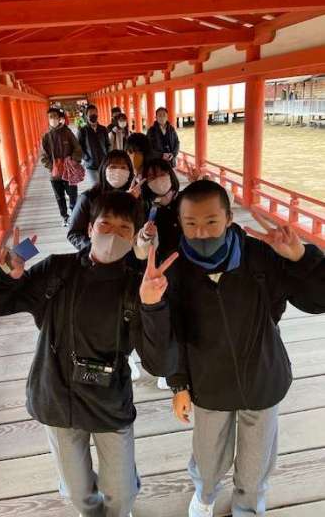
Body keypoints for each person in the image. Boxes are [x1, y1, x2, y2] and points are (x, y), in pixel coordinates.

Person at [0, 192, 178, 517]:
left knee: (122, 492)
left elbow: (160, 363)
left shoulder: (138, 286)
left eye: (124, 229)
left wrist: (153, 306)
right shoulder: (56, 270)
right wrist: (5, 273)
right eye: (105, 224)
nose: (113, 234)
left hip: (109, 402)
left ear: (135, 239)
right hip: (57, 398)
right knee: (77, 491)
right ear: (89, 229)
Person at [153, 179, 325, 517]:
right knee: (208, 453)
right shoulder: (172, 268)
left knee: (257, 457)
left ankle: (248, 505)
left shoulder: (260, 255)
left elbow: (318, 300)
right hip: (207, 383)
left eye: (211, 221)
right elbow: (170, 333)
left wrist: (301, 257)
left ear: (229, 218)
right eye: (190, 223)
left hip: (262, 376)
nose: (201, 232)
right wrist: (178, 383)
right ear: (180, 223)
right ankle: (205, 495)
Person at [68, 150, 143, 382]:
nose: (118, 171)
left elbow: (139, 230)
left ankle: (129, 352)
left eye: (124, 167)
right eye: (113, 166)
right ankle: (114, 357)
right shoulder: (89, 198)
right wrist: (97, 247)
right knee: (105, 313)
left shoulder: (137, 196)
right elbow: (74, 233)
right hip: (96, 266)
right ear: (103, 169)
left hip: (129, 266)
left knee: (130, 311)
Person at [135, 158, 181, 390]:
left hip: (189, 267)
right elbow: (141, 252)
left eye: (161, 174)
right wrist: (145, 236)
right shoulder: (146, 208)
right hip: (160, 272)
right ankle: (169, 370)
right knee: (165, 315)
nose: (158, 180)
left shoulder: (185, 199)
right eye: (151, 177)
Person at [41, 107, 82, 227]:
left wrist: (73, 160)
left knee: (73, 194)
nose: (53, 119)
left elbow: (77, 148)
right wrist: (52, 167)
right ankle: (64, 216)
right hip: (55, 174)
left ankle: (74, 215)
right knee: (59, 197)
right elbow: (43, 156)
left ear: (59, 118)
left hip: (69, 171)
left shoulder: (67, 132)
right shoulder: (46, 136)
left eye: (55, 116)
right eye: (50, 117)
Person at [79, 104, 110, 185]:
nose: (93, 115)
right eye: (91, 114)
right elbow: (79, 147)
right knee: (95, 186)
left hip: (103, 163)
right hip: (91, 164)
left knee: (105, 185)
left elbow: (108, 144)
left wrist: (107, 155)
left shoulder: (103, 129)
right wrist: (86, 158)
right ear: (86, 116)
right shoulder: (83, 131)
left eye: (95, 113)